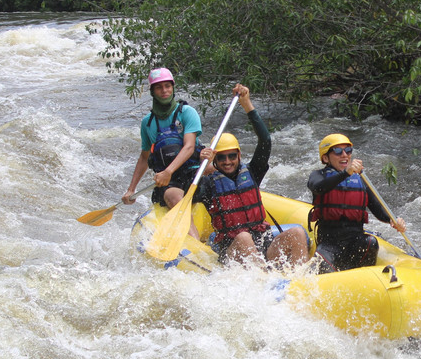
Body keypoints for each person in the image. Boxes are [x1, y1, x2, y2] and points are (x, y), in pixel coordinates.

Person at [197, 83, 310, 268]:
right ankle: (265, 283)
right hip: (232, 251)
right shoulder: (209, 184)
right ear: (214, 161)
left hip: (263, 245)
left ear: (239, 156)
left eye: (232, 156)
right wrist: (200, 165)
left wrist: (247, 104)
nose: (227, 161)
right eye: (222, 157)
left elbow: (265, 141)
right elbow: (189, 193)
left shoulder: (252, 172)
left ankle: (299, 284)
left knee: (297, 232)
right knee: (243, 237)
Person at [307, 133, 406, 272]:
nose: (344, 155)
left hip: (354, 241)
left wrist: (393, 220)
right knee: (321, 262)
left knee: (371, 242)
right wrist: (346, 173)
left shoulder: (360, 179)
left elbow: (377, 209)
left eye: (348, 150)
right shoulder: (318, 176)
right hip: (329, 243)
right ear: (325, 158)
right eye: (337, 151)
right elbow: (318, 187)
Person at [122, 67, 203, 209]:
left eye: (167, 86)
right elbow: (144, 157)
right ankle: (187, 229)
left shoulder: (186, 112)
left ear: (173, 88)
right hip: (169, 182)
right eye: (159, 87)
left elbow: (189, 146)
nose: (164, 90)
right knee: (174, 197)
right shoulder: (147, 122)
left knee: (211, 164)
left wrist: (168, 171)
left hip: (193, 173)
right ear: (152, 91)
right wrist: (131, 189)